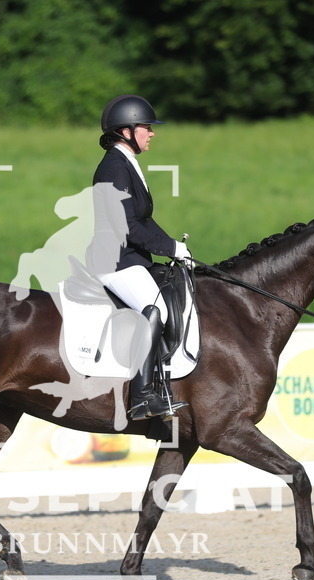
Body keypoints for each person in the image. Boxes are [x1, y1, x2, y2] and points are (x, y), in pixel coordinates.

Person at [92, 94, 191, 421]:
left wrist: (175, 247)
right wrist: (171, 249)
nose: (152, 133)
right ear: (126, 131)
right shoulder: (113, 168)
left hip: (133, 258)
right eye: (146, 127)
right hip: (115, 262)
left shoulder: (126, 164)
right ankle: (143, 397)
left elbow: (144, 220)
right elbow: (127, 224)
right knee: (157, 309)